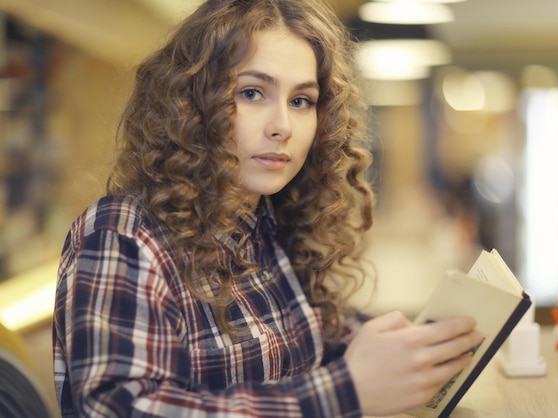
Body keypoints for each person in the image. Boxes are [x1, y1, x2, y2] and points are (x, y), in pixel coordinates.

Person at [52, 0, 483, 416]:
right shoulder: (122, 233)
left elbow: (314, 339)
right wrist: (344, 392)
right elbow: (119, 408)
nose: (282, 127)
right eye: (253, 93)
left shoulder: (263, 224)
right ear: (191, 104)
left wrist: (415, 346)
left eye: (302, 101)